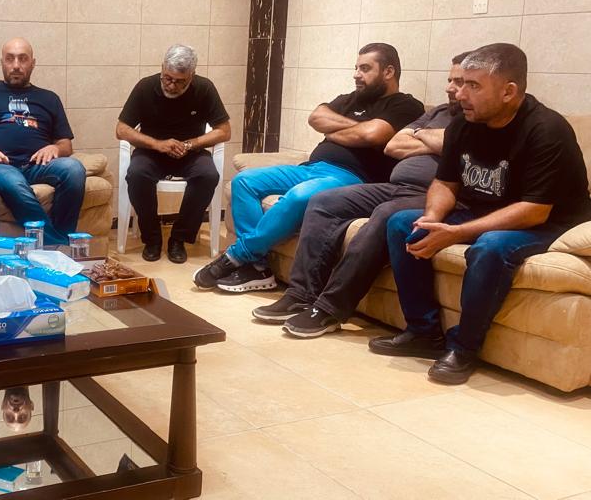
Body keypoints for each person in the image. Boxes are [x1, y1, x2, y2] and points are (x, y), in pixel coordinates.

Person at [371, 43, 591, 384]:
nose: (460, 94)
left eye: (473, 86)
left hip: (549, 222)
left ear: (509, 91)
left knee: (490, 246)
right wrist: (433, 218)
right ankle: (423, 332)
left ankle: (463, 349)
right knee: (402, 223)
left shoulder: (547, 130)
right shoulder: (464, 123)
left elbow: (534, 211)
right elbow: (445, 182)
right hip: (484, 211)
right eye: (462, 83)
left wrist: (458, 232)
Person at [252, 52, 470, 337]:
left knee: (384, 215)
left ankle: (330, 309)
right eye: (450, 80)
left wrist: (422, 135)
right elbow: (394, 145)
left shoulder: (477, 118)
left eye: (460, 82)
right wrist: (438, 140)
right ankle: (300, 294)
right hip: (394, 186)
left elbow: (454, 143)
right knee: (325, 201)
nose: (450, 88)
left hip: (436, 195)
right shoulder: (440, 112)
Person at [194, 43, 425, 292]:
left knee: (299, 196)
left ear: (388, 72)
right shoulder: (351, 99)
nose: (356, 74)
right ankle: (258, 267)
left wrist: (339, 130)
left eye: (365, 68)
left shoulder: (406, 106)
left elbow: (373, 135)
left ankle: (237, 256)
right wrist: (357, 129)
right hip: (311, 168)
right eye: (356, 68)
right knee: (243, 181)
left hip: (351, 177)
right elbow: (316, 117)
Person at [0, 38, 86, 246]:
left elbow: (66, 145)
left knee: (74, 169)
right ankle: (59, 245)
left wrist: (55, 148)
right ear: (2, 62)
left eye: (22, 59)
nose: (16, 65)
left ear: (33, 63)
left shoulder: (49, 98)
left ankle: (58, 238)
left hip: (37, 165)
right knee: (14, 183)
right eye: (10, 59)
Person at [116, 44, 232, 263]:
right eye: (167, 78)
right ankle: (152, 239)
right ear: (162, 68)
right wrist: (157, 144)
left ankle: (179, 239)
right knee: (137, 174)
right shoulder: (145, 87)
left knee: (208, 175)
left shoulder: (204, 88)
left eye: (180, 81)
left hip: (190, 153)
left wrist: (190, 144)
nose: (171, 85)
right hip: (151, 152)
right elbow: (121, 129)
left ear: (192, 76)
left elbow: (224, 131)